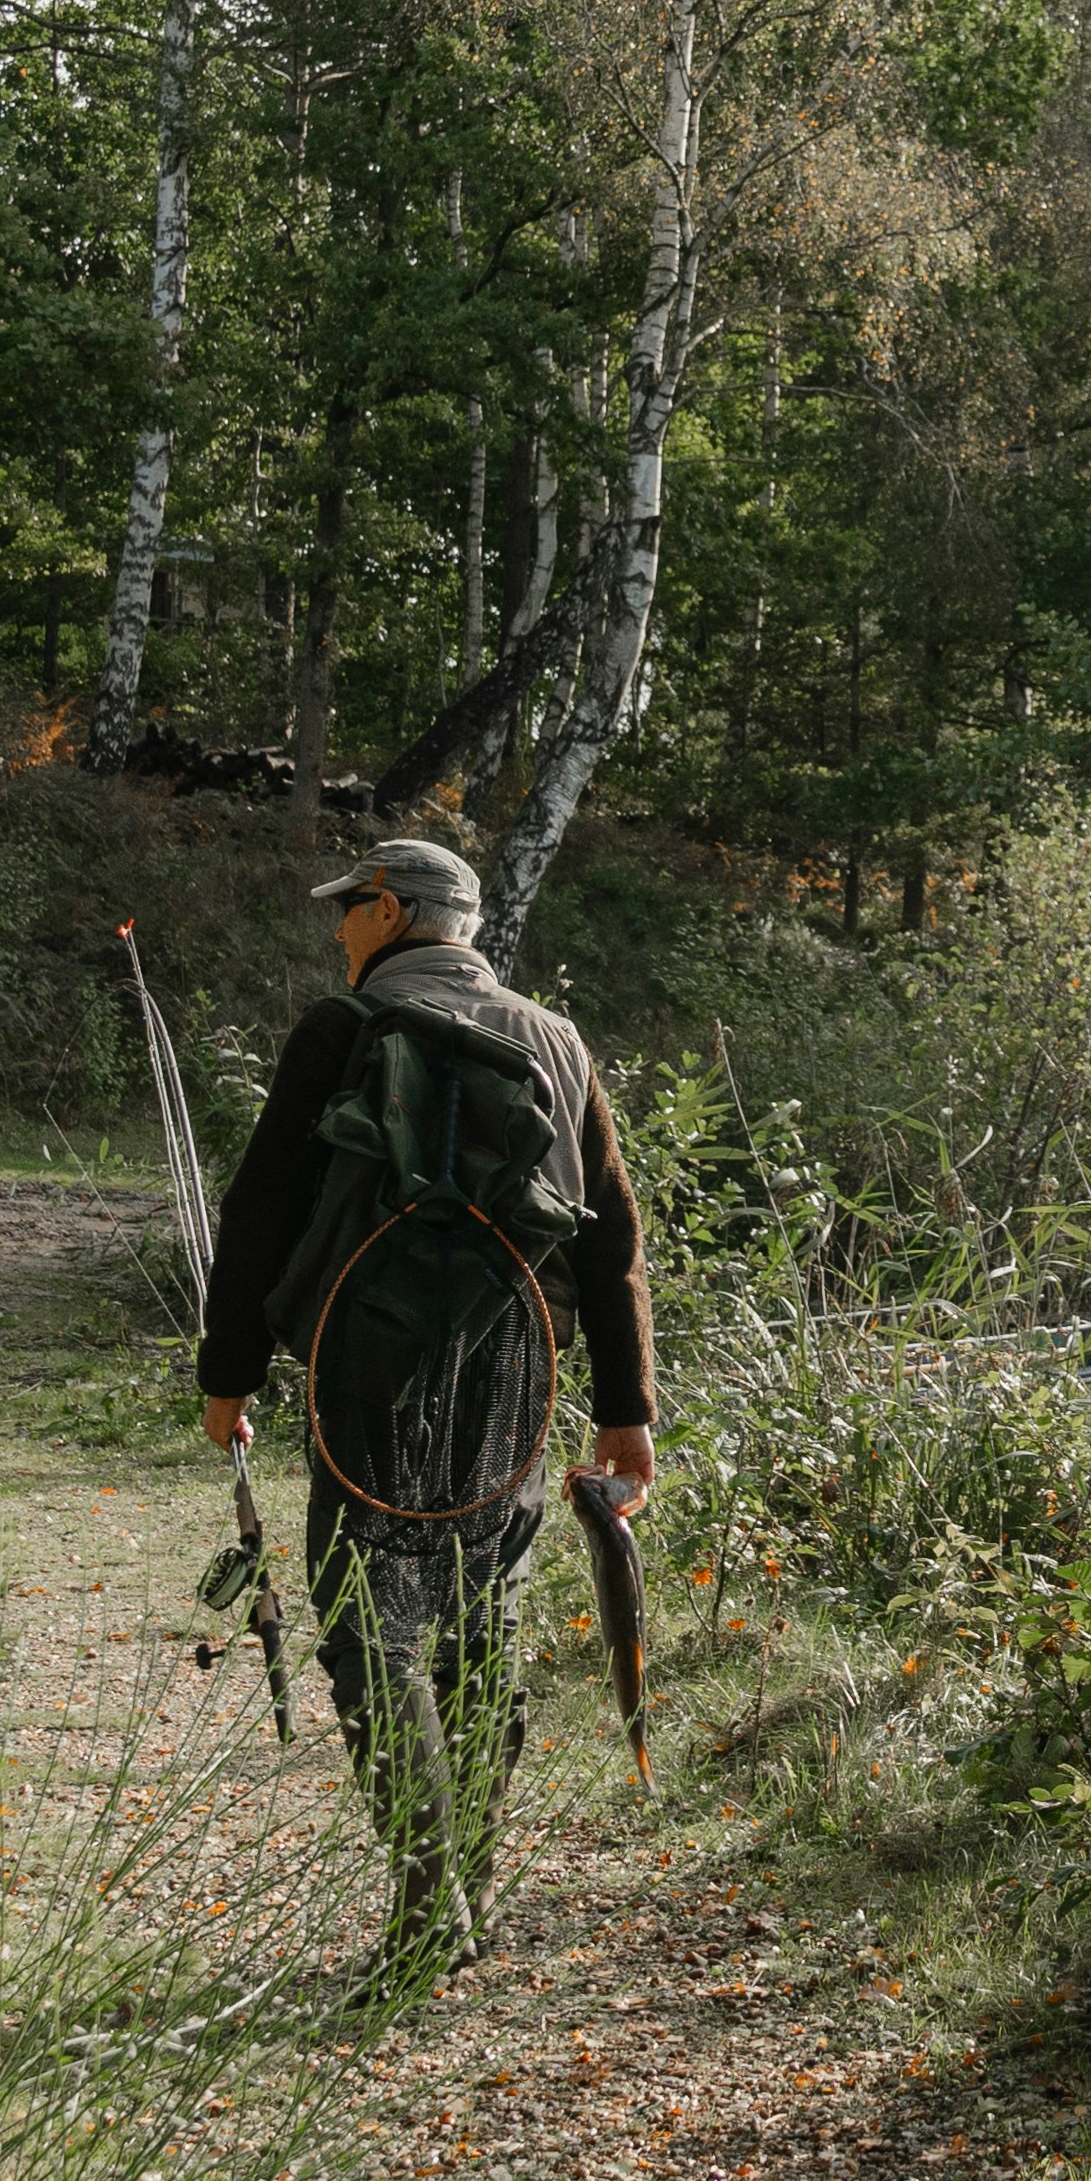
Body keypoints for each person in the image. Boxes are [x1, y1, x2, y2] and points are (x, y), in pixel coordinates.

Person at [196, 835, 658, 1988]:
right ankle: (467, 1893)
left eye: (350, 908)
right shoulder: (556, 1039)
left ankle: (425, 1906)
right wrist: (625, 1404)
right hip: (515, 1365)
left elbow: (259, 1212)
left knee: (367, 1618)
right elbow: (612, 1240)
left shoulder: (337, 1030)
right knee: (478, 1609)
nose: (339, 928)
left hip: (364, 1360)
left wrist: (228, 1372)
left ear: (394, 909)